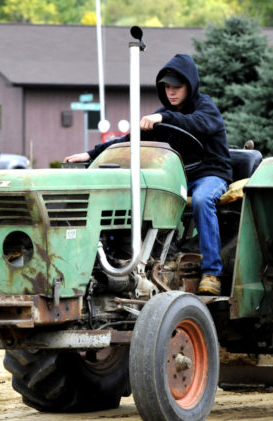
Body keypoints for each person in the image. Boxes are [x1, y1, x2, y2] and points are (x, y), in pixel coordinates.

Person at [65, 54, 232, 296]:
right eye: (166, 87)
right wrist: (90, 155)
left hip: (211, 175)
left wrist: (163, 117)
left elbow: (198, 123)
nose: (171, 92)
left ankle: (212, 273)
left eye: (177, 86)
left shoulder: (205, 109)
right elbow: (130, 140)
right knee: (138, 197)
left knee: (201, 200)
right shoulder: (163, 114)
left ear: (190, 85)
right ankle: (131, 261)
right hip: (177, 177)